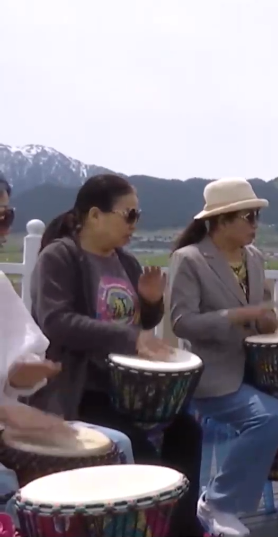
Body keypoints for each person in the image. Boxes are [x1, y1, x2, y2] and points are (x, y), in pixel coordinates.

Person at [27, 174, 205, 537]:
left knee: (187, 431)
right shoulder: (60, 257)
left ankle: (183, 529)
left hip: (129, 390)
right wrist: (131, 337)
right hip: (84, 390)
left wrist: (151, 302)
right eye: (129, 214)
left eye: (137, 215)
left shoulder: (126, 262)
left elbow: (140, 322)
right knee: (139, 451)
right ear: (95, 215)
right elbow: (57, 321)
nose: (134, 225)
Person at [169, 178, 278, 537]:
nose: (254, 225)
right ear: (221, 220)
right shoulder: (190, 259)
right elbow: (182, 322)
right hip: (215, 376)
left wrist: (268, 319)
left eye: (256, 217)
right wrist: (233, 317)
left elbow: (264, 315)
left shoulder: (254, 259)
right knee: (269, 416)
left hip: (260, 370)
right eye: (248, 217)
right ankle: (218, 502)